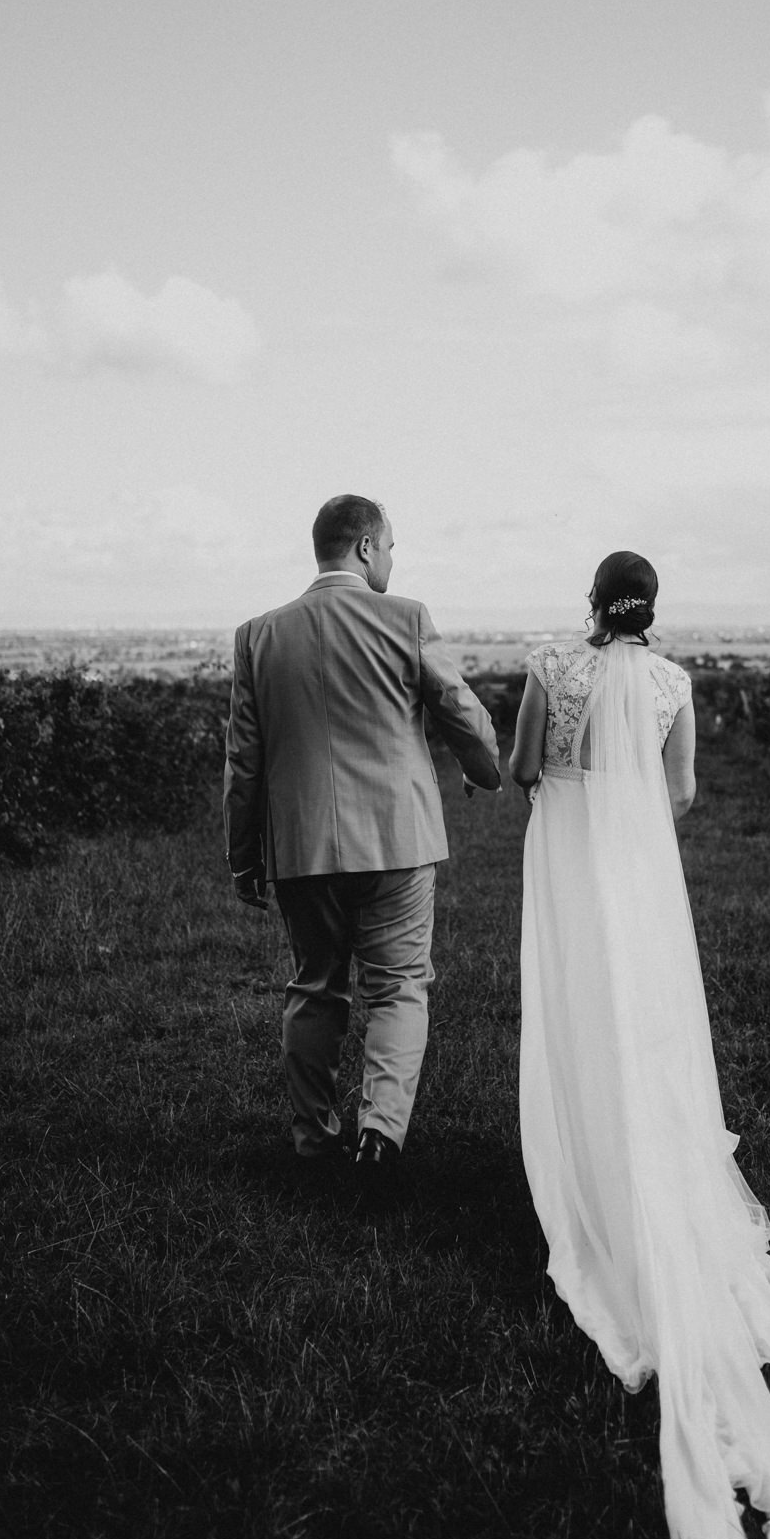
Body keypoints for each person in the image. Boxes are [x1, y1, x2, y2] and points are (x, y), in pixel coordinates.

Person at [509, 550, 770, 1539]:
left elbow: (520, 767)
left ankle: (589, 1168)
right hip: (633, 867)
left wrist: (571, 798)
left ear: (589, 602)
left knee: (580, 1011)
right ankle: (644, 1159)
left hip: (563, 855)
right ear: (652, 609)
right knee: (642, 1024)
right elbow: (681, 790)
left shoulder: (550, 666)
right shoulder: (671, 683)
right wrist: (631, 817)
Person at [223, 495, 501, 1183]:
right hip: (398, 838)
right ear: (367, 547)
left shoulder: (257, 635)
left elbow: (243, 760)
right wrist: (484, 771)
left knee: (315, 986)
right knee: (399, 986)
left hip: (301, 844)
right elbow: (459, 710)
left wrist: (243, 855)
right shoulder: (406, 618)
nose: (393, 560)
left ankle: (314, 1143)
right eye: (391, 547)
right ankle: (379, 1136)